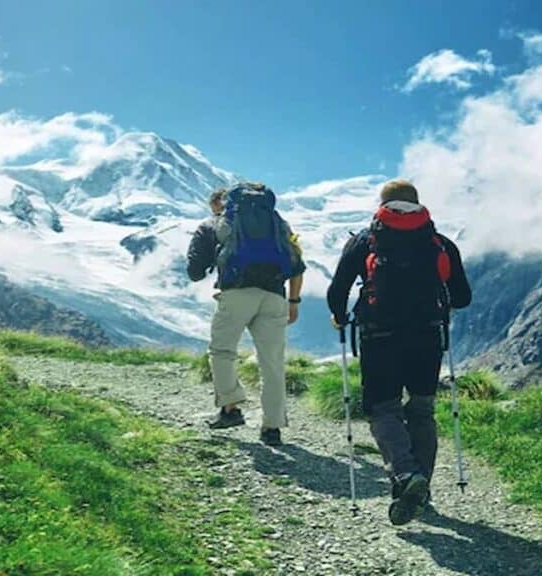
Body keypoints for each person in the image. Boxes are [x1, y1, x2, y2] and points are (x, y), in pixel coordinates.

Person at [326, 179, 471, 525]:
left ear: (382, 205)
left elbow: (337, 291)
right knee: (421, 409)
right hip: (427, 337)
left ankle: (406, 475)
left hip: (380, 338)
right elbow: (463, 297)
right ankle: (422, 487)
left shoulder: (365, 241)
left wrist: (339, 317)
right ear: (417, 204)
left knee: (383, 409)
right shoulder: (440, 243)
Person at [186, 182, 306, 446]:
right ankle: (272, 427)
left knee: (222, 351)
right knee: (272, 362)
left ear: (219, 204)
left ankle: (230, 408)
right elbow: (297, 265)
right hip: (275, 296)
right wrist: (293, 302)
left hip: (236, 295)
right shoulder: (278, 224)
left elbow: (194, 271)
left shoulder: (213, 224)